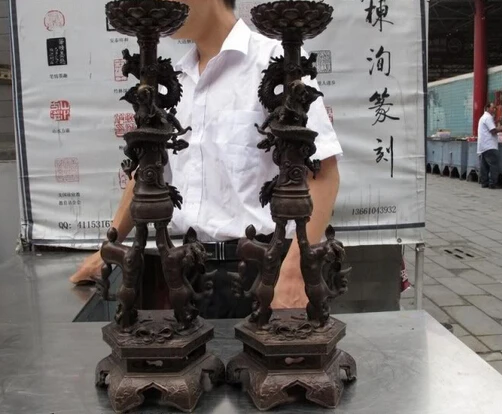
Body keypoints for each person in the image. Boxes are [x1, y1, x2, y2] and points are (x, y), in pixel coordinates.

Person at [70, 0, 343, 316]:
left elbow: (323, 174)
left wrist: (295, 272)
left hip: (264, 269)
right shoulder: (175, 80)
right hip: (188, 272)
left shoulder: (275, 63)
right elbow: (148, 171)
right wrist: (109, 247)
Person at [477, 103, 502, 189]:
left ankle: (484, 183)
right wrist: (501, 128)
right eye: (493, 108)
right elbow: (493, 131)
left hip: (483, 146)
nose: (494, 109)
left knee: (485, 166)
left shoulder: (483, 117)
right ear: (487, 108)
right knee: (493, 165)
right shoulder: (488, 117)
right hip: (489, 145)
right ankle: (493, 184)